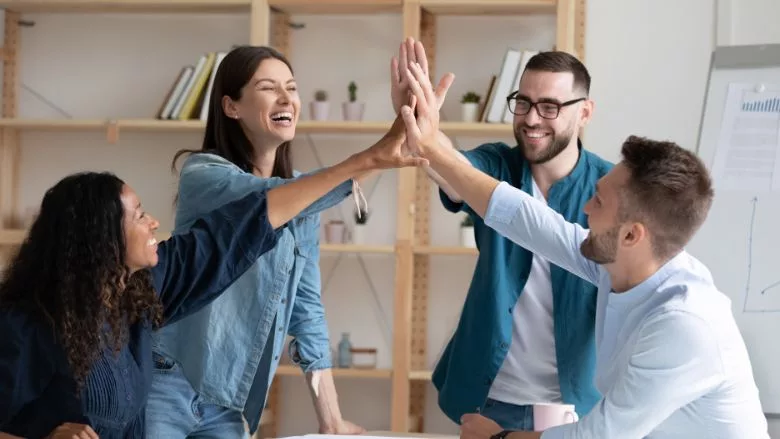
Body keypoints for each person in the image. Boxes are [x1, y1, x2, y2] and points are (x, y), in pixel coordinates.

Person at [397, 59, 770, 438]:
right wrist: (428, 141)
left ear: (631, 235)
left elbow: (595, 437)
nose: (584, 210)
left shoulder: (685, 325)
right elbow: (525, 219)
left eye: (598, 203)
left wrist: (497, 438)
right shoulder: (620, 264)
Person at [0, 120, 424, 439]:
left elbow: (246, 224)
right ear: (99, 238)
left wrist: (370, 159)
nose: (154, 223)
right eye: (138, 215)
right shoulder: (26, 325)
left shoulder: (141, 290)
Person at [145, 45, 415, 438]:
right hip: (166, 379)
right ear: (231, 106)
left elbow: (306, 309)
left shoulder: (301, 199)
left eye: (291, 87)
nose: (287, 98)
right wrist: (373, 156)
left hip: (227, 397)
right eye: (269, 88)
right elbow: (264, 201)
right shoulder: (203, 175)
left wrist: (330, 418)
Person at [390, 38, 612, 429]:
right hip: (489, 397)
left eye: (550, 106)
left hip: (576, 403)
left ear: (585, 113)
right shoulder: (497, 164)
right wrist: (420, 126)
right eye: (523, 102)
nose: (530, 119)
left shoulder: (611, 189)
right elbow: (454, 170)